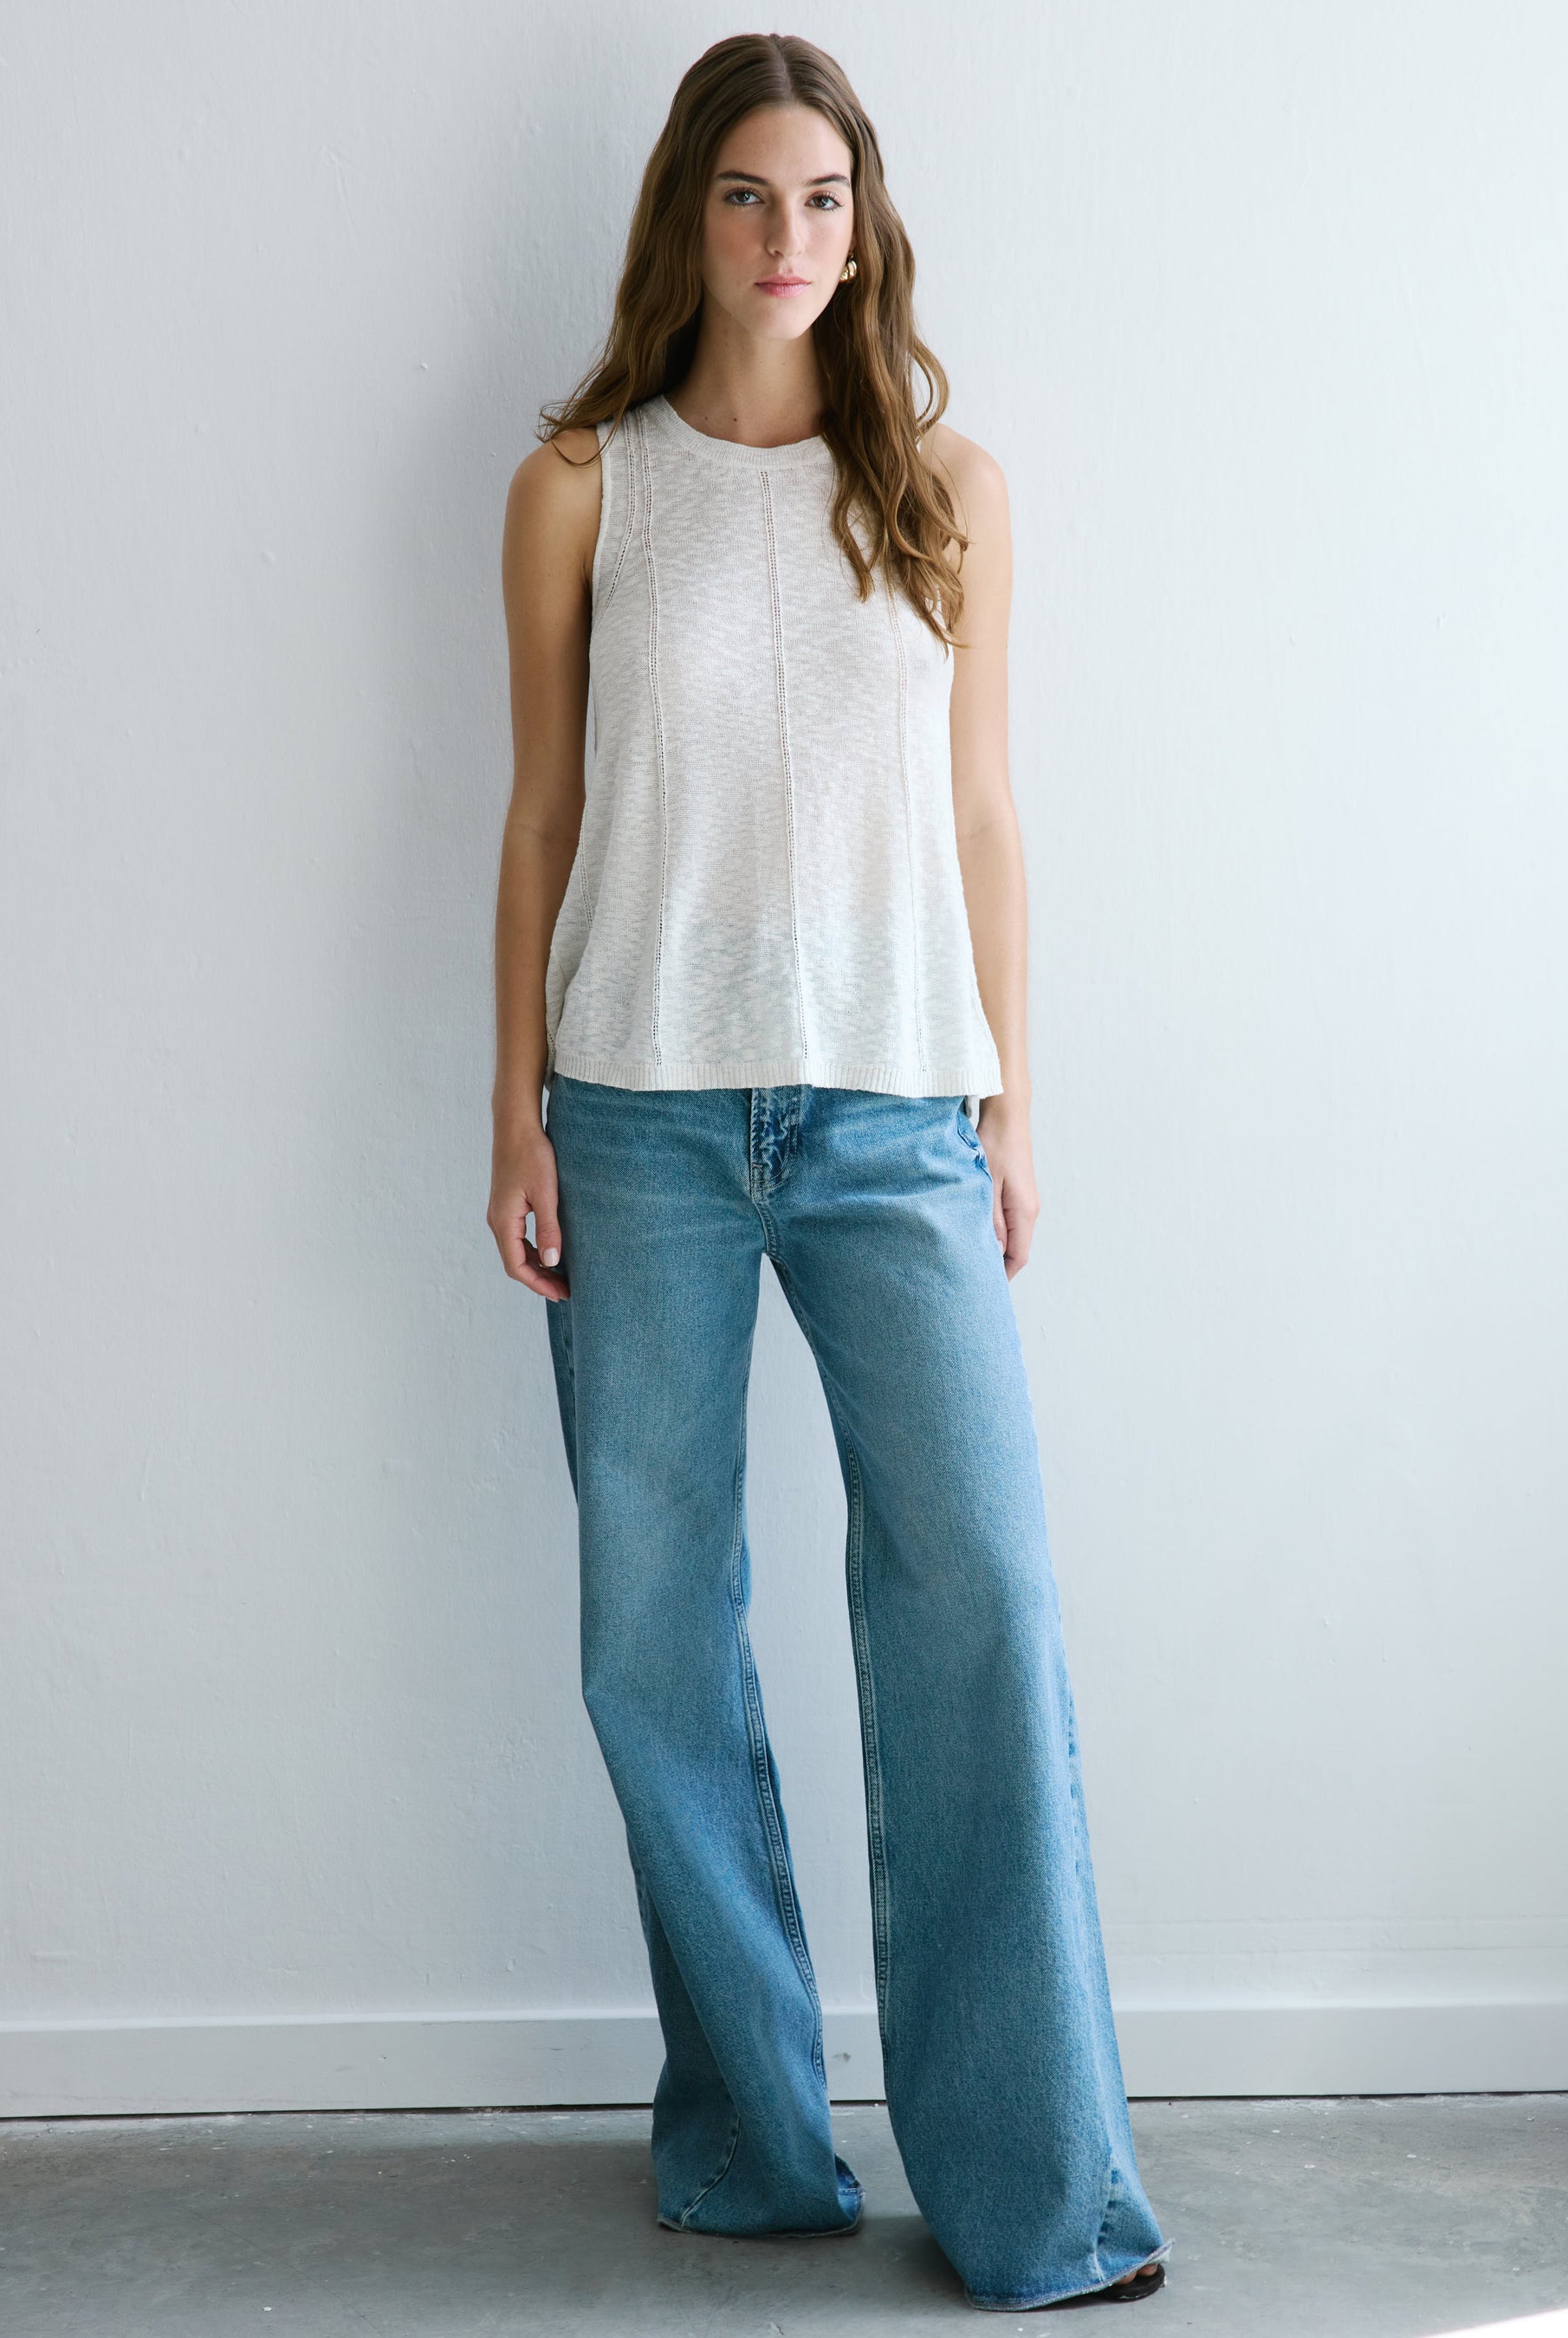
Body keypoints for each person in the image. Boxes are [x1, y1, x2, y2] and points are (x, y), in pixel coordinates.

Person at [487, 31, 1170, 2313]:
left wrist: (1013, 1102)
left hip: (895, 1119)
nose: (790, 240)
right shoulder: (582, 481)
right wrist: (514, 1106)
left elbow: (983, 813)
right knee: (650, 1639)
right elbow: (543, 816)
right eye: (748, 197)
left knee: (979, 1603)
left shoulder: (947, 487)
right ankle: (751, 2143)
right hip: (640, 1116)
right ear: (685, 216)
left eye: (825, 201)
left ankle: (1037, 2193)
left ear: (867, 230)